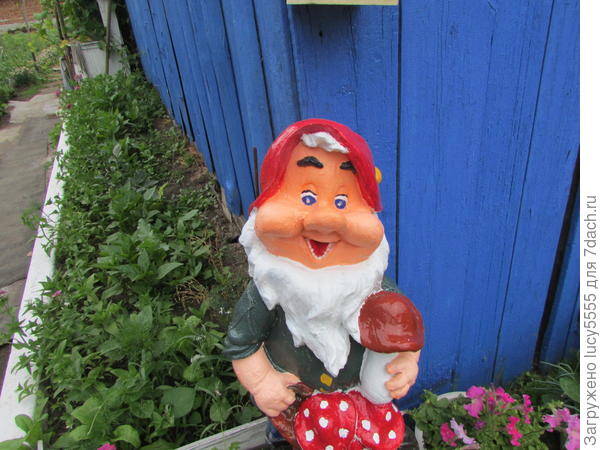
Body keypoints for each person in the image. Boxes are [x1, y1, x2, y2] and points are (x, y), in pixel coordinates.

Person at [223, 119, 423, 448]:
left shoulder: (374, 286)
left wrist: (404, 361)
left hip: (365, 410)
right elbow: (241, 344)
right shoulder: (268, 289)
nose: (325, 220)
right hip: (294, 410)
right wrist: (262, 382)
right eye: (306, 197)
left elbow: (405, 333)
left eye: (342, 201)